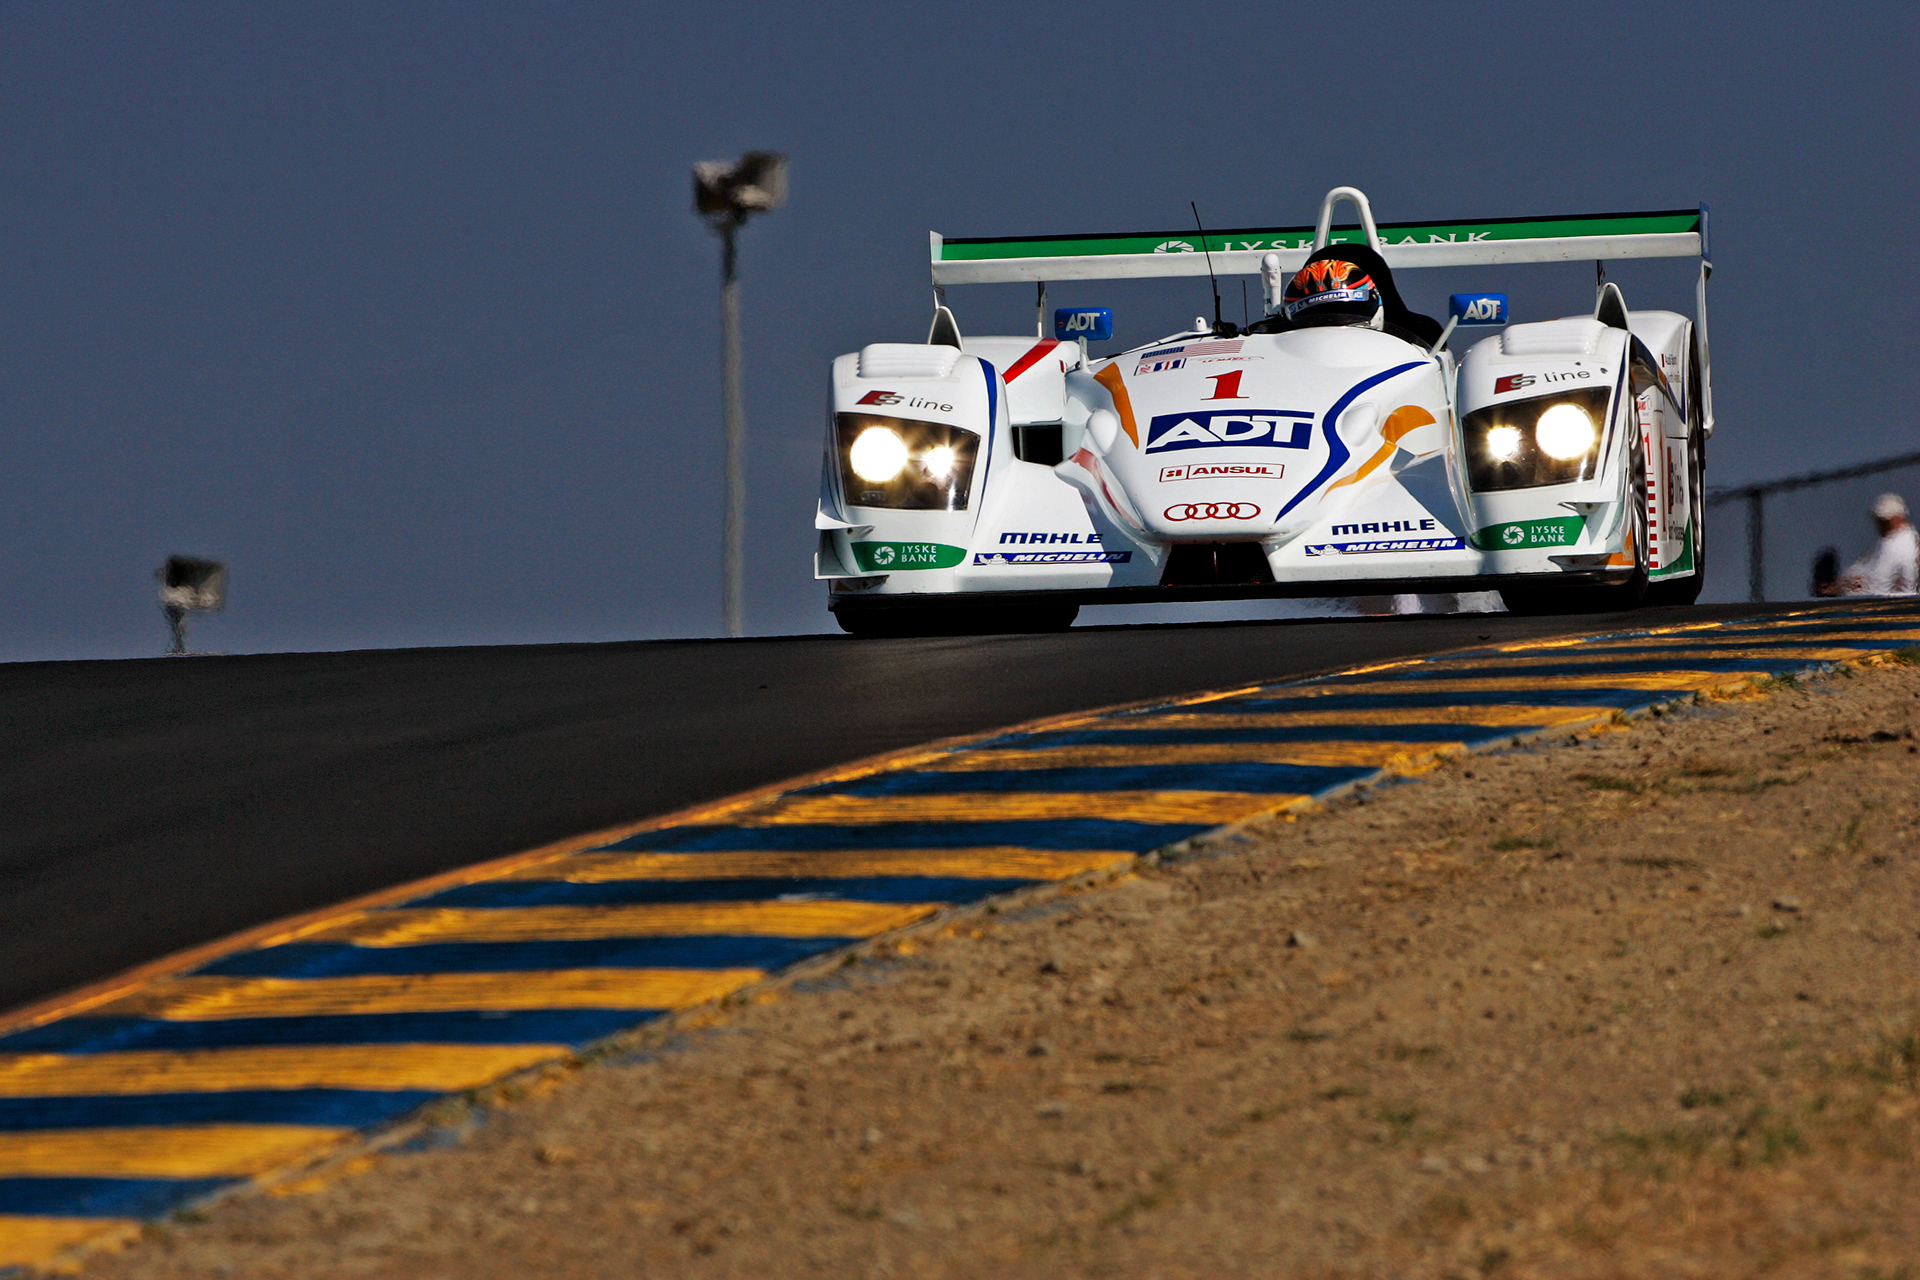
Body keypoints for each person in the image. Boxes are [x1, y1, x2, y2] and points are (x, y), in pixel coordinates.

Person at [1821, 493, 1919, 596]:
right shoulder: (1888, 541)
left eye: (1884, 521)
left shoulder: (1902, 544)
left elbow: (1880, 581)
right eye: (1879, 520)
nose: (1880, 525)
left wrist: (1849, 585)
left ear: (1897, 518)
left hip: (1890, 605)